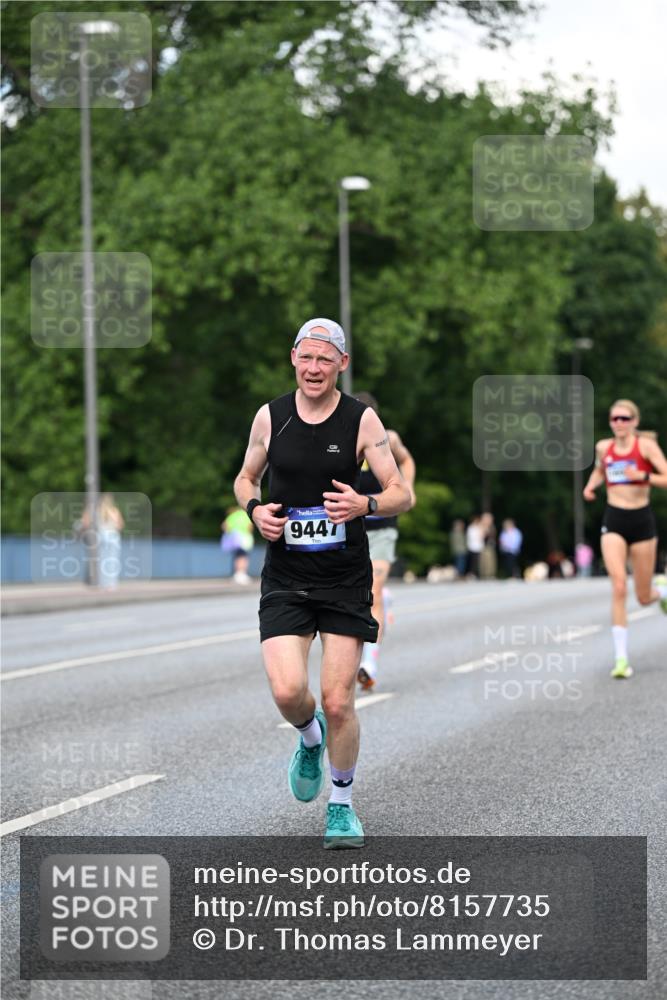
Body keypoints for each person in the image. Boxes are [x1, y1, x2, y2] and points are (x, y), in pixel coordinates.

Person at [234, 318, 411, 848]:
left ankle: (341, 806)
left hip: (343, 578)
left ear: (342, 364)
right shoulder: (270, 417)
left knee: (338, 701)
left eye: (324, 359)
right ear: (293, 358)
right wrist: (253, 510)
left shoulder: (361, 421)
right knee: (290, 692)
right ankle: (309, 740)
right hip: (286, 575)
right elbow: (246, 476)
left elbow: (402, 492)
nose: (314, 368)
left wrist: (367, 504)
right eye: (306, 358)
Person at [583, 399, 667, 678]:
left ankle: (662, 592)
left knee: (644, 597)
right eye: (614, 418)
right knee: (619, 586)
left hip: (642, 521)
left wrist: (641, 475)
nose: (619, 423)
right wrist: (591, 486)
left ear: (634, 421)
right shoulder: (603, 447)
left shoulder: (646, 447)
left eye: (624, 418)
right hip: (614, 520)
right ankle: (621, 660)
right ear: (610, 422)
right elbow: (599, 468)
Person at [353, 391, 416, 690]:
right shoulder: (342, 439)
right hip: (353, 527)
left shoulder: (387, 439)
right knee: (354, 595)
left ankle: (369, 663)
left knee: (373, 592)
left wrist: (409, 488)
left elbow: (407, 460)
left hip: (383, 526)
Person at [81, 493, 124, 589]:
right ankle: (111, 584)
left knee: (101, 561)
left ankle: (101, 583)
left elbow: (85, 522)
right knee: (113, 561)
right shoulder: (114, 511)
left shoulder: (97, 511)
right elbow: (120, 525)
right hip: (113, 536)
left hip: (100, 536)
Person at [221, 505, 254, 584]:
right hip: (244, 539)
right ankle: (241, 574)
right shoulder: (245, 515)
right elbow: (250, 527)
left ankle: (237, 574)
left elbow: (224, 526)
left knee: (237, 556)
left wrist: (230, 532)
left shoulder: (232, 516)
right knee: (243, 557)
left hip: (234, 539)